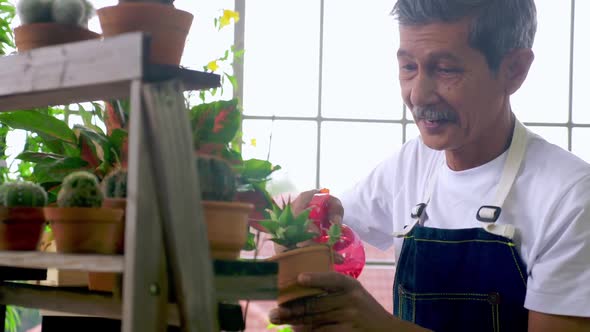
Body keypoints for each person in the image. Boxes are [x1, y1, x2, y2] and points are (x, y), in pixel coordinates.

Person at [269, 0, 590, 331]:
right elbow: (327, 233)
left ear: (514, 70)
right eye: (409, 67)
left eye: (446, 69)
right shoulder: (409, 166)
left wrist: (380, 327)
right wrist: (302, 232)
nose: (418, 95)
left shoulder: (570, 197)